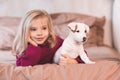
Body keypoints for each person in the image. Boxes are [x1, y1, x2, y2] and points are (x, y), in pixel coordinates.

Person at [12, 9, 84, 66]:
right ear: (25, 31)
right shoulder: (22, 47)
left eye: (44, 28)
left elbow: (79, 51)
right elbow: (23, 66)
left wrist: (74, 61)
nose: (39, 33)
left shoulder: (54, 41)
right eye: (33, 29)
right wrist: (34, 46)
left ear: (49, 29)